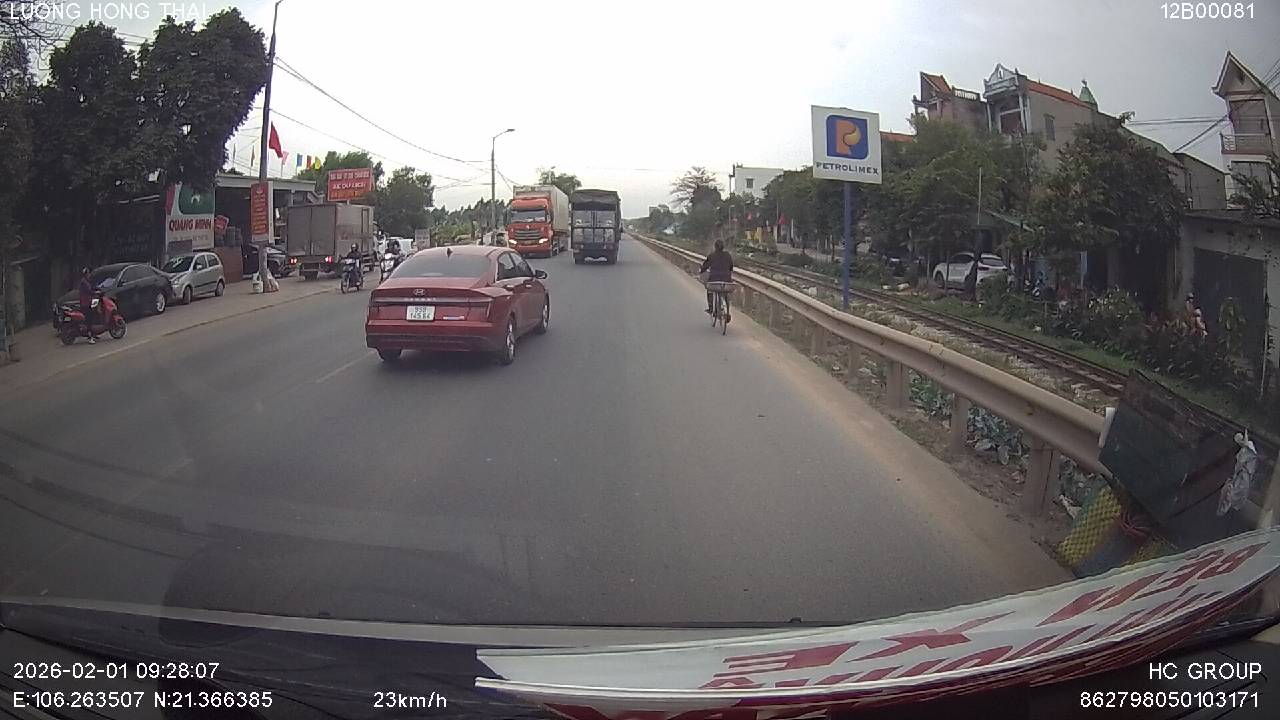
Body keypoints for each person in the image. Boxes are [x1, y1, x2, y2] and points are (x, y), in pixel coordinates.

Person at [699, 239, 734, 315]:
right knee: (725, 293)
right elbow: (731, 267)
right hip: (726, 279)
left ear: (715, 247)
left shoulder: (712, 255)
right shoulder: (728, 255)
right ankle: (727, 312)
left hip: (714, 279)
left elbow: (705, 266)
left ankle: (711, 309)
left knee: (710, 290)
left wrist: (701, 271)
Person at [77, 267, 100, 344]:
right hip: (85, 303)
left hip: (89, 302)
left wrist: (97, 289)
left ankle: (94, 333)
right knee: (89, 319)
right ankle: (90, 337)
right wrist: (95, 293)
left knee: (93, 316)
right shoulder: (83, 282)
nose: (89, 274)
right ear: (86, 274)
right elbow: (88, 291)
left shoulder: (87, 281)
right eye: (88, 273)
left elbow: (92, 288)